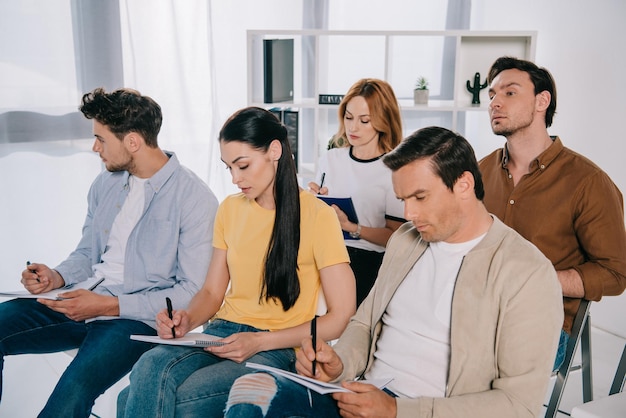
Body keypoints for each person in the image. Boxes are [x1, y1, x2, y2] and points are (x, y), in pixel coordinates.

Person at [223, 126, 564, 418]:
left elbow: (518, 405)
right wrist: (339, 362)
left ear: (463, 185)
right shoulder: (406, 240)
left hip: (421, 411)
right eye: (403, 199)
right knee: (252, 389)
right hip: (361, 398)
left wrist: (396, 411)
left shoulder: (526, 273)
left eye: (420, 197)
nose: (408, 213)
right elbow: (363, 323)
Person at [117, 106, 356, 417]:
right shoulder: (230, 209)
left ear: (274, 151)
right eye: (228, 168)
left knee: (134, 400)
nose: (235, 179)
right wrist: (186, 319)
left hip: (278, 346)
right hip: (223, 333)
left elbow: (340, 316)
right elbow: (212, 294)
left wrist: (259, 340)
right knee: (149, 364)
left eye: (242, 166)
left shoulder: (318, 215)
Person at [0, 87, 218, 417]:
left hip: (134, 319)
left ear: (132, 141)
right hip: (80, 300)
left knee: (73, 390)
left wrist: (108, 305)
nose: (95, 148)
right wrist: (56, 276)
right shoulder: (106, 183)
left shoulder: (194, 199)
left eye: (101, 139)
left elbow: (191, 292)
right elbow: (88, 253)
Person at [479, 56, 626, 371]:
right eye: (491, 94)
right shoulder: (481, 170)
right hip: (475, 310)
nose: (494, 102)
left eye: (509, 92)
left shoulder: (588, 182)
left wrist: (537, 279)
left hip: (540, 326)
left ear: (541, 101)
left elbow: (615, 274)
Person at [308, 78, 405, 305]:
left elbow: (396, 237)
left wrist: (351, 228)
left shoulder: (394, 168)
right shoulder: (331, 159)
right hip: (324, 251)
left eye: (364, 121)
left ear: (383, 121)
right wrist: (314, 201)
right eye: (349, 117)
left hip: (365, 259)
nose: (353, 128)